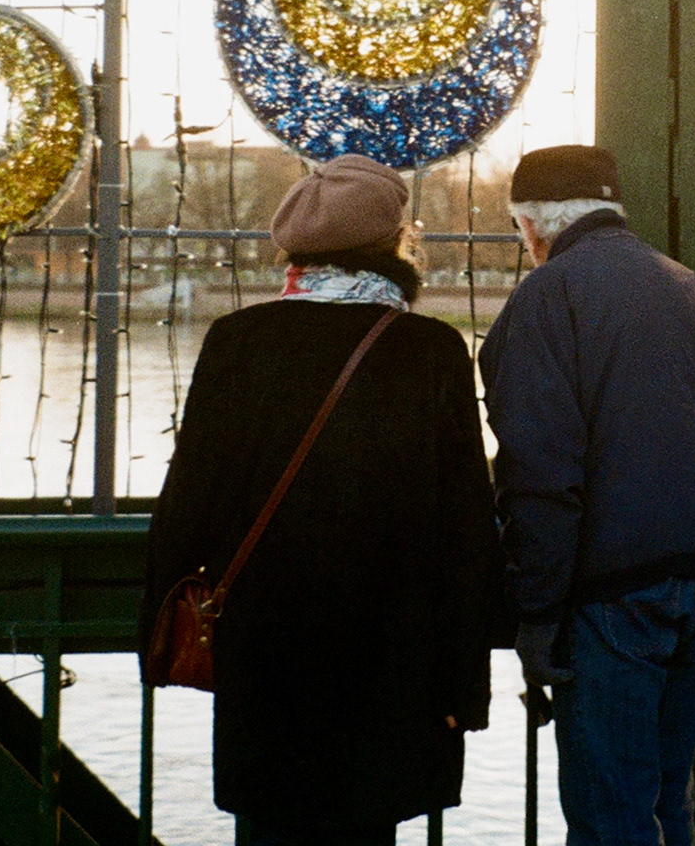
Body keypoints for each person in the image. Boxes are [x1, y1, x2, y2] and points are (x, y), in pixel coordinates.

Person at [140, 154, 500, 846]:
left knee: (269, 824)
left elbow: (189, 502)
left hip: (264, 654)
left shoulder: (237, 343)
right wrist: (463, 684)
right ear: (394, 246)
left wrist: (161, 635)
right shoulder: (428, 349)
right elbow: (464, 525)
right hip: (390, 660)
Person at [478, 145, 695, 846]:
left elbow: (540, 476)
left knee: (610, 814)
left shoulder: (545, 299)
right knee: (669, 807)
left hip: (603, 597)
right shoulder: (687, 286)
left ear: (530, 226)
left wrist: (538, 614)